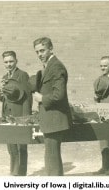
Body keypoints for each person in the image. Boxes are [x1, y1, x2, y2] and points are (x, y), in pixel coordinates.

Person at [32, 37, 72, 176]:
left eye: (42, 50)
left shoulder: (56, 67)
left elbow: (59, 94)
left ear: (51, 48)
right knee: (50, 156)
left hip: (55, 119)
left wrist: (41, 98)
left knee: (52, 158)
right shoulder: (48, 66)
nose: (39, 54)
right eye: (37, 52)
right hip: (50, 119)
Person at [0, 51, 32, 176]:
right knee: (11, 145)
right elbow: (2, 98)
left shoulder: (22, 75)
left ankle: (21, 173)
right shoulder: (4, 77)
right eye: (6, 62)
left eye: (11, 61)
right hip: (7, 115)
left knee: (21, 146)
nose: (9, 64)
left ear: (16, 61)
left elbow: (27, 97)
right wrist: (0, 91)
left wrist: (26, 117)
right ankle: (13, 171)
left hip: (19, 114)